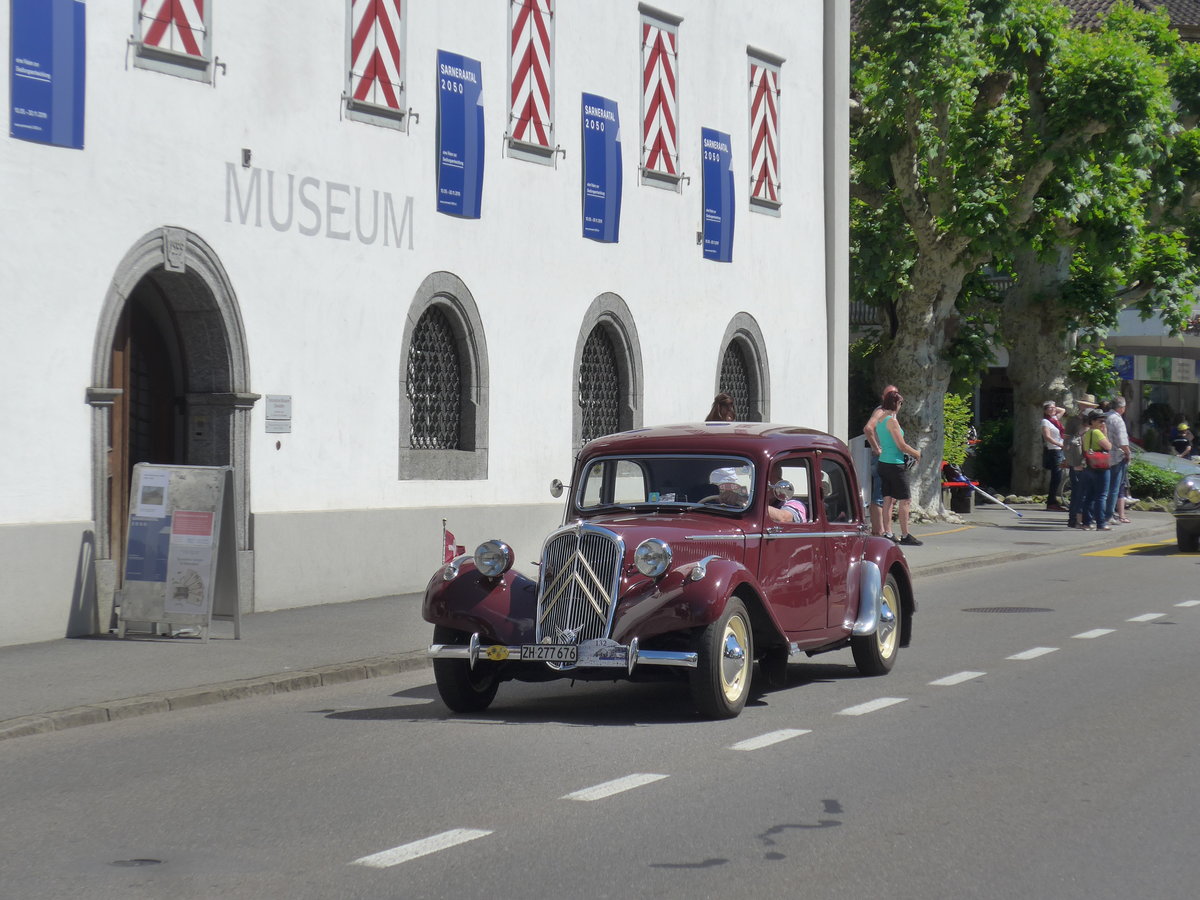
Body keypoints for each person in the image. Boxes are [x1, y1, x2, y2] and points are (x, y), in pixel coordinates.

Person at [874, 389, 923, 546]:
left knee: (888, 498)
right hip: (895, 464)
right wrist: (916, 453)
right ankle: (905, 534)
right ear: (895, 403)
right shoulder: (892, 422)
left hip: (883, 462)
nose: (901, 406)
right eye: (900, 403)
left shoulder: (880, 419)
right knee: (905, 500)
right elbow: (901, 445)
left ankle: (888, 532)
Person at [863, 384, 898, 536]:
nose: (893, 398)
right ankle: (879, 531)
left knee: (888, 496)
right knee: (880, 496)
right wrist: (877, 449)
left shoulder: (890, 414)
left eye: (895, 395)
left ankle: (885, 530)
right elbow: (868, 428)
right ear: (883, 398)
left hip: (889, 459)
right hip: (881, 460)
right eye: (889, 395)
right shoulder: (881, 411)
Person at [1061, 393, 1097, 529]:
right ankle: (1074, 519)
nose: (1086, 408)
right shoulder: (1074, 420)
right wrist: (1068, 458)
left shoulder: (1094, 421)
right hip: (1077, 460)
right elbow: (1067, 441)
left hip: (1089, 460)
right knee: (1077, 491)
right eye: (1084, 405)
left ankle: (1084, 518)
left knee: (1086, 491)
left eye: (1089, 406)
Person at [1080, 409, 1112, 531]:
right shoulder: (1098, 433)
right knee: (1101, 495)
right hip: (1101, 466)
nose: (1103, 423)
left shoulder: (1087, 433)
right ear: (1092, 421)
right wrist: (1105, 433)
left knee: (1089, 495)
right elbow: (1108, 446)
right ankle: (1101, 523)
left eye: (1104, 421)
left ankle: (1086, 523)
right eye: (1100, 421)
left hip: (1089, 464)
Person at [1103, 396, 1131, 526]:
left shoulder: (1104, 416)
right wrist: (1128, 453)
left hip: (1102, 456)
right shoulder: (1117, 420)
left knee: (1103, 487)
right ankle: (1109, 514)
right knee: (1114, 487)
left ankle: (1101, 512)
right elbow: (1122, 441)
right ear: (1121, 408)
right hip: (1116, 457)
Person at [1041, 400, 1067, 512]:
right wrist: (1059, 444)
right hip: (1054, 450)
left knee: (1059, 477)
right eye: (1050, 408)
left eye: (1054, 408)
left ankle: (1053, 501)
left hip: (1060, 450)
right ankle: (1051, 502)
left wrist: (1054, 407)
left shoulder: (1055, 419)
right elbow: (1047, 437)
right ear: (1045, 410)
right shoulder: (1045, 422)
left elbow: (1063, 410)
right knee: (1056, 477)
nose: (1053, 409)